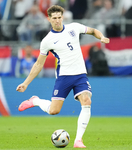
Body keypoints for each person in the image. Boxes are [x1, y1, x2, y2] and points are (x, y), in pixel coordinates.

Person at [16, 5, 110, 148]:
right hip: (64, 77)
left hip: (80, 75)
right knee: (54, 111)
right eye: (54, 18)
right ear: (49, 19)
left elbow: (92, 31)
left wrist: (101, 37)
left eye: (60, 17)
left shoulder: (74, 27)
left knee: (86, 101)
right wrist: (26, 83)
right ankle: (36, 101)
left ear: (62, 17)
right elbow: (38, 64)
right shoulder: (47, 41)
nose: (58, 21)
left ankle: (78, 140)